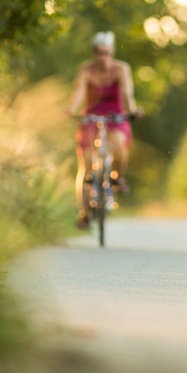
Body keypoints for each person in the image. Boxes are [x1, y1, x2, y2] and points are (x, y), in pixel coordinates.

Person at [65, 31, 142, 229]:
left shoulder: (121, 69)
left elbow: (127, 93)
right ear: (93, 53)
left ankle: (117, 176)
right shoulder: (85, 70)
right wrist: (72, 109)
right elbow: (79, 92)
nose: (103, 57)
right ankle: (84, 213)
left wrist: (133, 110)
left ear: (112, 53)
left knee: (118, 144)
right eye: (99, 53)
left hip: (115, 116)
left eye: (107, 53)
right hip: (91, 116)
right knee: (86, 164)